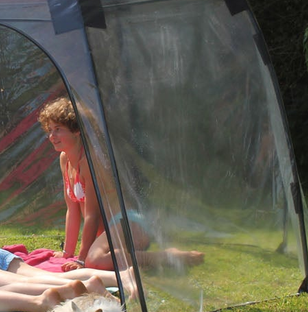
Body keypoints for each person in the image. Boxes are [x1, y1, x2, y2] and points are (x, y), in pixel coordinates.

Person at [37, 96, 203, 272]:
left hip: (128, 224)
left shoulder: (90, 162)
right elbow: (72, 209)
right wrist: (67, 252)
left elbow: (92, 215)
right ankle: (123, 254)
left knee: (94, 261)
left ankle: (165, 256)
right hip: (107, 234)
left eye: (58, 129)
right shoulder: (65, 159)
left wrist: (82, 259)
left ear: (76, 130)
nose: (52, 136)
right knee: (98, 259)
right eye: (49, 130)